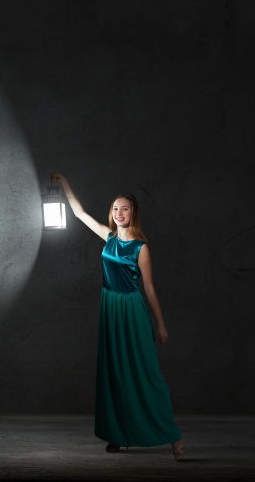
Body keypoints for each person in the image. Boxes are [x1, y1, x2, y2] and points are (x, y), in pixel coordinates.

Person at [51, 173, 186, 461]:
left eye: (124, 208)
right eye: (115, 208)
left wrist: (160, 324)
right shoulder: (108, 237)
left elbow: (149, 287)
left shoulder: (141, 247)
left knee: (144, 373)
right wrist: (63, 185)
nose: (119, 213)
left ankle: (173, 436)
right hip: (109, 306)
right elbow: (79, 213)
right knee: (114, 372)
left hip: (131, 309)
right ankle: (117, 434)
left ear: (133, 212)